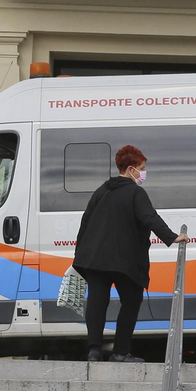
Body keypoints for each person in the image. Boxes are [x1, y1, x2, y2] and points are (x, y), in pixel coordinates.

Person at [74, 144, 178, 362]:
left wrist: (80, 257)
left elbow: (85, 223)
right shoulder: (135, 193)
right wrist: (172, 237)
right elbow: (149, 217)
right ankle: (120, 352)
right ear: (131, 169)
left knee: (97, 302)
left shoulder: (102, 190)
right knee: (131, 301)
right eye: (142, 168)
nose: (144, 173)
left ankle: (94, 351)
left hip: (95, 260)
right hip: (125, 261)